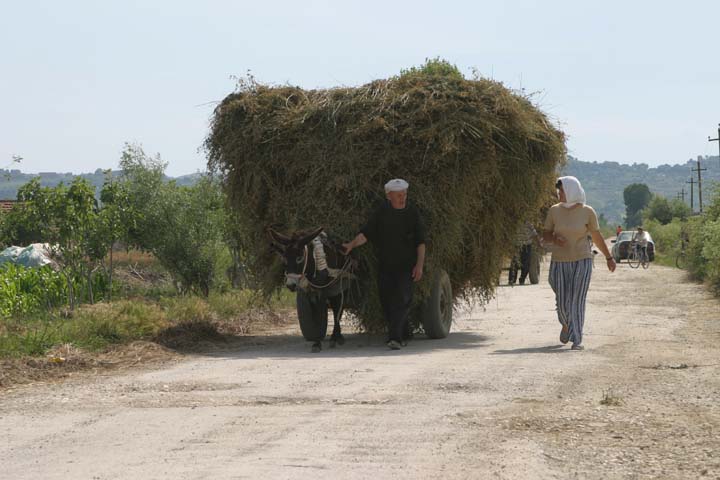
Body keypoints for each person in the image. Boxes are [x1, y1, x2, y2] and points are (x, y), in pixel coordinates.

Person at [343, 179, 426, 350]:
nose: (402, 198)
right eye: (398, 196)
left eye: (404, 195)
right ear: (389, 196)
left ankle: (394, 338)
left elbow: (421, 242)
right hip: (386, 266)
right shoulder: (382, 212)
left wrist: (419, 265)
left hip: (406, 267)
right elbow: (366, 234)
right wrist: (351, 244)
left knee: (403, 298)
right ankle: (403, 331)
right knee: (387, 302)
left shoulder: (412, 213)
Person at [542, 176, 616, 351]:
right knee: (562, 301)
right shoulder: (554, 211)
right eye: (559, 191)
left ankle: (577, 338)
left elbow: (597, 237)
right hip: (560, 261)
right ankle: (566, 324)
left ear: (572, 191)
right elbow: (545, 234)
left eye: (562, 191)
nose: (559, 194)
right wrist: (554, 239)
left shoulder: (587, 211)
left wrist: (608, 257)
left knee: (578, 298)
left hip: (582, 259)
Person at [508, 221, 538, 285]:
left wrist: (539, 243)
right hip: (517, 246)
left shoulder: (529, 224)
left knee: (526, 264)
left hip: (527, 246)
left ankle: (522, 278)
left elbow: (535, 234)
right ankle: (512, 280)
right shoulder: (514, 223)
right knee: (514, 263)